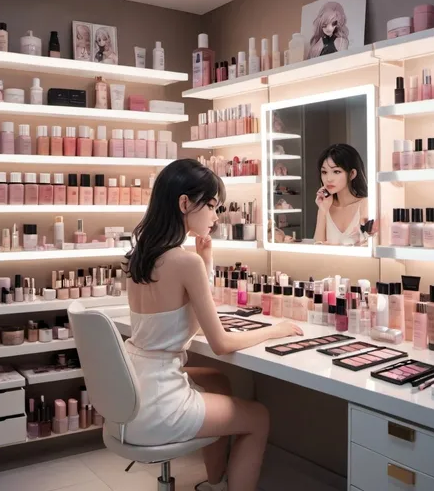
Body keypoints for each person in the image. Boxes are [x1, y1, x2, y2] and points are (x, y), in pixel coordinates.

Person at [123, 159, 303, 491]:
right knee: (259, 418)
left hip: (132, 389)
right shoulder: (184, 262)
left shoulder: (142, 256)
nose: (216, 217)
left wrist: (205, 259)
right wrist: (276, 329)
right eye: (212, 206)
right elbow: (219, 342)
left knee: (218, 380)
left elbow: (183, 311)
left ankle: (216, 481)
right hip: (159, 403)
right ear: (184, 203)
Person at [314, 143, 369, 245]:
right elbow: (318, 247)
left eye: (336, 171)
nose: (328, 179)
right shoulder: (325, 207)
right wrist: (322, 210)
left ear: (352, 174)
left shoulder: (366, 204)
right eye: (324, 172)